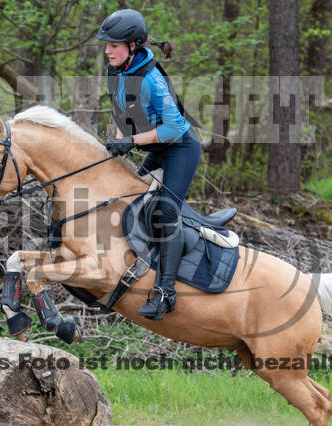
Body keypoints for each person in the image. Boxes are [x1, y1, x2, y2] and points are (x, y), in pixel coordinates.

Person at [96, 9, 202, 320]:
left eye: (113, 45)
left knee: (166, 211)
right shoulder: (116, 71)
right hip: (154, 147)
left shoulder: (152, 79)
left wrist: (131, 142)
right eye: (106, 44)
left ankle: (165, 292)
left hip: (180, 148)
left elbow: (173, 128)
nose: (107, 50)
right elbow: (122, 114)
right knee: (126, 198)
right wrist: (117, 146)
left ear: (132, 45)